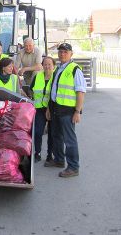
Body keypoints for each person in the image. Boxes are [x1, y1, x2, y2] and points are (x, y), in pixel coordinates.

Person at [45, 43, 86, 178]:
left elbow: (80, 92)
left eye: (65, 52)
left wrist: (77, 112)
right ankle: (59, 160)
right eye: (60, 52)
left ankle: (73, 167)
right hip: (56, 109)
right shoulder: (58, 69)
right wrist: (49, 109)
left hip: (68, 111)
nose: (62, 54)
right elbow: (53, 90)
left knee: (69, 140)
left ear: (71, 54)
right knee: (56, 136)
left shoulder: (75, 70)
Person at [30, 56, 55, 163]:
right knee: (38, 132)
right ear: (42, 65)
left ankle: (50, 154)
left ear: (53, 66)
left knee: (52, 133)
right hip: (39, 109)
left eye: (49, 64)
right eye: (45, 64)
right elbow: (31, 90)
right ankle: (37, 153)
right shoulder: (38, 76)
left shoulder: (56, 77)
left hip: (52, 109)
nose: (47, 66)